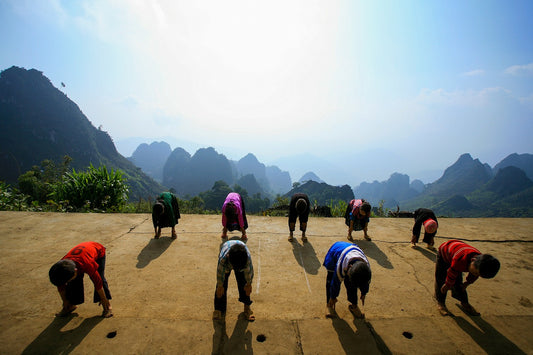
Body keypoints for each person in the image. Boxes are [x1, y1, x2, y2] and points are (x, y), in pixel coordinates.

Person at [435, 240, 500, 316]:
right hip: (444, 253)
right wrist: (447, 285)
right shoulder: (460, 260)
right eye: (475, 272)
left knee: (460, 284)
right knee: (441, 280)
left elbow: (474, 275)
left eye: (478, 274)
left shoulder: (481, 264)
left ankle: (464, 302)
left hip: (457, 251)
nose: (475, 274)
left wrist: (467, 283)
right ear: (473, 261)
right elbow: (452, 272)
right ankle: (441, 303)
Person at [49, 241, 113, 318]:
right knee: (73, 282)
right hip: (80, 257)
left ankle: (107, 306)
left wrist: (103, 298)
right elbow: (60, 285)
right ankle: (70, 305)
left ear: (76, 271)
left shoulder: (87, 264)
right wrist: (65, 301)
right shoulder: (62, 267)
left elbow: (98, 282)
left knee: (100, 277)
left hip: (98, 252)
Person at [323, 241, 372, 319]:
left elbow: (365, 283)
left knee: (352, 285)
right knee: (330, 279)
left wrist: (363, 293)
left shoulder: (366, 270)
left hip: (352, 252)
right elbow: (335, 283)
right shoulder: (341, 265)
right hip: (335, 252)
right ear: (350, 266)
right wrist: (333, 297)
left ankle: (354, 305)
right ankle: (329, 304)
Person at [213, 240, 255, 321]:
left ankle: (247, 307)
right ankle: (218, 309)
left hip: (239, 260)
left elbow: (249, 274)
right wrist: (220, 285)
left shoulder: (246, 259)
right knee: (221, 287)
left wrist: (249, 284)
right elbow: (220, 275)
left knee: (244, 284)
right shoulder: (223, 259)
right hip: (228, 258)